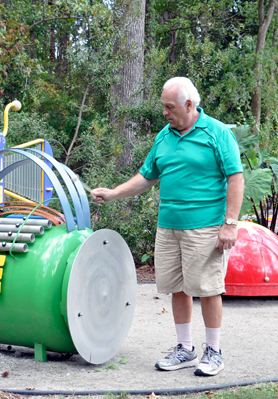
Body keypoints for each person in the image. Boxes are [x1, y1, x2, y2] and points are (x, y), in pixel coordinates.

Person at [91, 77, 244, 376]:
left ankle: (214, 351)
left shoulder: (217, 133)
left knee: (209, 289)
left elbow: (235, 178)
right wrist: (113, 193)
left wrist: (230, 224)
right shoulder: (164, 136)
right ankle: (185, 348)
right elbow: (147, 176)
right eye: (163, 106)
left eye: (169, 107)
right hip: (169, 227)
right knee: (178, 288)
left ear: (189, 105)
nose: (164, 112)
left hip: (205, 228)